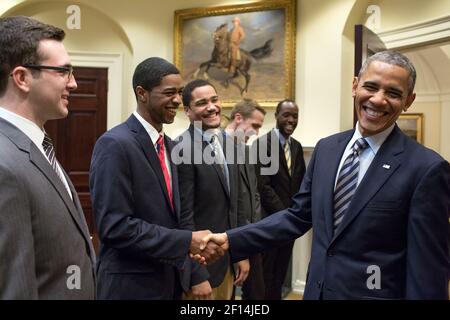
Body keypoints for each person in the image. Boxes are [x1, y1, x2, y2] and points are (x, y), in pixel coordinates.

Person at [200, 51, 450, 300]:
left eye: (393, 93)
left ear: (409, 100)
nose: (378, 99)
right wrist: (230, 240)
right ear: (355, 86)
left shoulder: (426, 169)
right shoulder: (327, 149)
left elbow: (427, 274)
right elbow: (297, 217)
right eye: (370, 87)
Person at [89, 57, 214, 300]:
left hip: (168, 283)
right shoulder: (115, 144)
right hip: (130, 287)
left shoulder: (168, 145)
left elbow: (174, 218)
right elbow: (115, 227)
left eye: (179, 92)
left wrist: (194, 271)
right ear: (142, 93)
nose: (178, 100)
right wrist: (186, 241)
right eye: (169, 93)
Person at [0, 16, 95, 299]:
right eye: (63, 72)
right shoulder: (4, 164)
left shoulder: (36, 145)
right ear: (22, 78)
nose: (74, 83)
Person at [176, 79, 249, 300]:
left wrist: (240, 253)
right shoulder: (181, 149)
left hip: (228, 266)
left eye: (214, 100)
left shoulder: (230, 144)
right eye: (201, 103)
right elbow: (183, 221)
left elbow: (235, 205)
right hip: (201, 273)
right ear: (187, 111)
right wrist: (196, 275)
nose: (211, 107)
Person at [254, 99, 306, 300]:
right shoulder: (262, 145)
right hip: (270, 222)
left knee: (280, 275)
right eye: (286, 115)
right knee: (266, 275)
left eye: (295, 116)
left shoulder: (297, 147)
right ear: (276, 116)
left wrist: (296, 215)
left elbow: (302, 183)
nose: (291, 120)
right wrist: (286, 214)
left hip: (289, 224)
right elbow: (264, 186)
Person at [225, 99, 266, 300]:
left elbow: (254, 194)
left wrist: (256, 230)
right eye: (255, 126)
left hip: (251, 236)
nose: (257, 133)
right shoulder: (216, 150)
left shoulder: (246, 150)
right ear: (239, 119)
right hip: (230, 240)